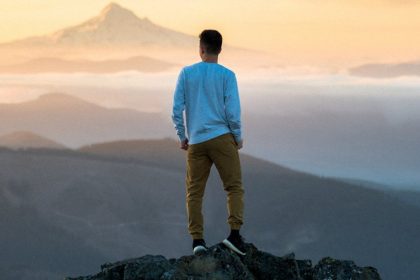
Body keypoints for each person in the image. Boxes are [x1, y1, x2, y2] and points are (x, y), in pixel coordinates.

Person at [171, 29, 246, 256]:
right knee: (233, 187)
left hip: (196, 141)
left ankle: (197, 241)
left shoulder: (186, 73)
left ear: (201, 48)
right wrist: (237, 137)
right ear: (220, 49)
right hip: (222, 137)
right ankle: (234, 235)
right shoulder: (227, 75)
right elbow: (232, 112)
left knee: (194, 192)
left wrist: (183, 135)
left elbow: (176, 110)